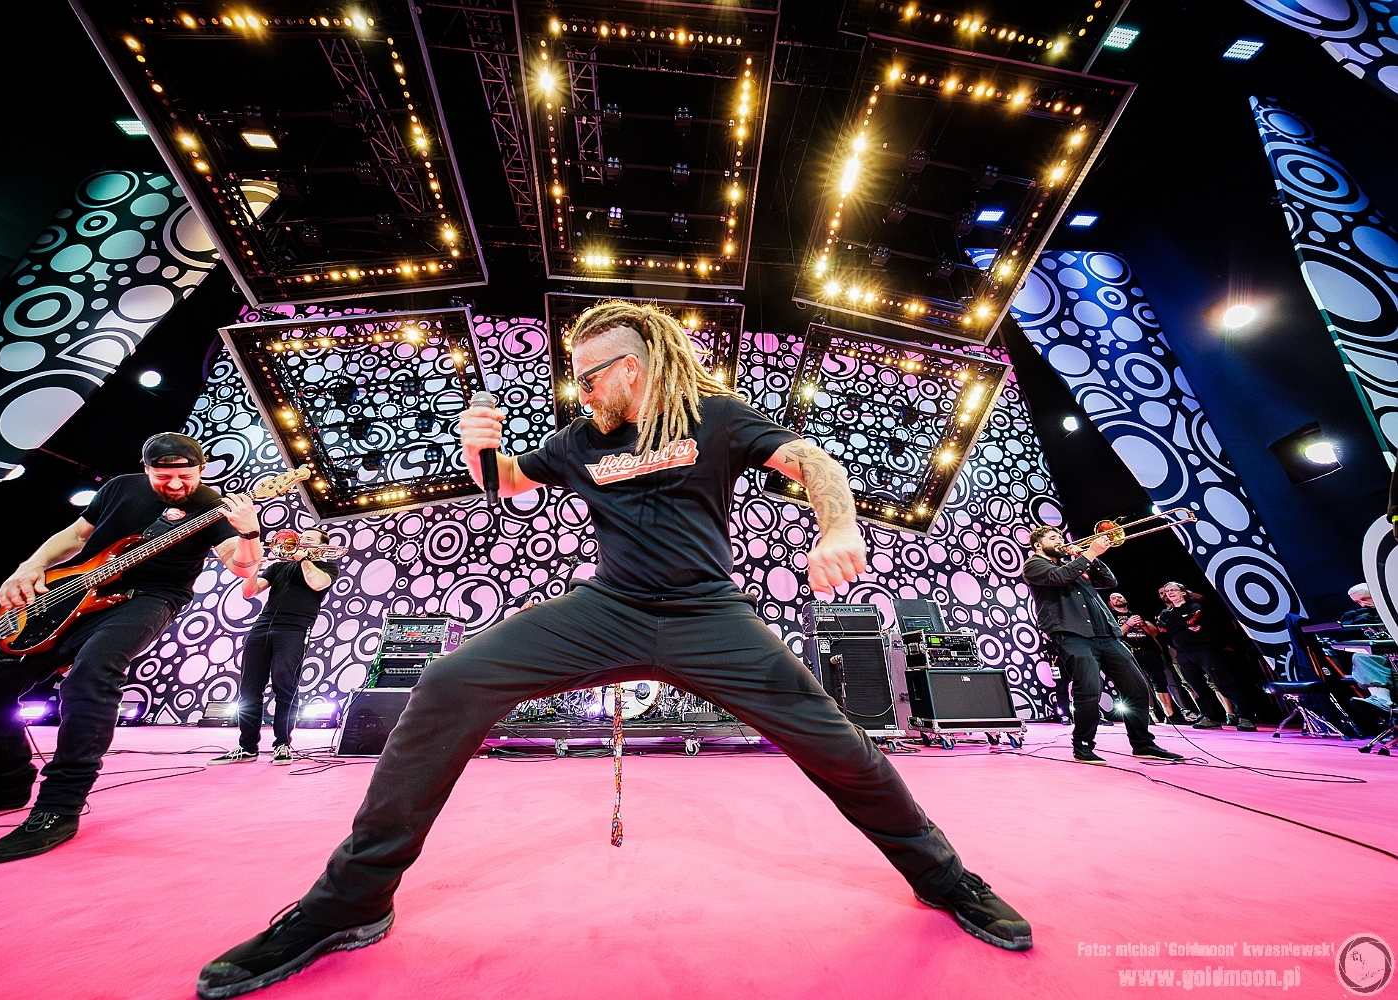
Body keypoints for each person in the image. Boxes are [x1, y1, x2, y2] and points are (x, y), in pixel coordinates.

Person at [195, 300, 1034, 1000]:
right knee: (449, 682)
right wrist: (476, 444)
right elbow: (508, 481)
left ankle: (946, 879)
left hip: (709, 617)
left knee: (840, 747)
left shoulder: (716, 417)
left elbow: (812, 461)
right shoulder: (578, 442)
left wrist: (839, 525)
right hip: (609, 609)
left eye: (590, 373)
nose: (581, 387)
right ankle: (352, 900)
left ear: (634, 365)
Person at [0, 433, 263, 864]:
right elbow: (75, 535)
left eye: (186, 476)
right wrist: (30, 566)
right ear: (146, 469)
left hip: (150, 598)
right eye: (163, 476)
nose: (176, 485)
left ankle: (60, 805)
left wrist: (248, 532)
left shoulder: (214, 505)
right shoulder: (120, 488)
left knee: (92, 675)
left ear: (200, 469)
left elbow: (242, 567)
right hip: (78, 591)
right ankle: (3, 784)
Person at [1022, 526, 1181, 765]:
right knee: (1089, 688)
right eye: (1052, 538)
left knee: (1137, 687)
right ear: (1038, 545)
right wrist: (1089, 555)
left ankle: (1143, 744)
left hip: (1106, 634)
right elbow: (1059, 578)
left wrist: (1091, 558)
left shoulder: (1076, 564)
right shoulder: (1034, 565)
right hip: (1072, 634)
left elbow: (1109, 581)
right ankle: (1083, 744)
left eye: (1060, 536)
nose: (1059, 540)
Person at [209, 528, 339, 766]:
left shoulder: (327, 568)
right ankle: (247, 747)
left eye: (308, 540)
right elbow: (249, 592)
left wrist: (302, 558)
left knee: (285, 685)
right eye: (301, 538)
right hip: (262, 627)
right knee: (249, 689)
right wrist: (253, 569)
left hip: (295, 629)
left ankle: (282, 744)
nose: (302, 541)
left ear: (322, 546)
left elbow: (317, 584)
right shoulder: (279, 567)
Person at [1156, 582, 1257, 732]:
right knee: (1196, 686)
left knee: (1224, 683)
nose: (1169, 593)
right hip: (1182, 653)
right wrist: (1185, 625)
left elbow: (1191, 620)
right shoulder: (1165, 613)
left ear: (1183, 592)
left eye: (1173, 590)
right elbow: (1162, 628)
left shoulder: (1195, 607)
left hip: (1203, 650)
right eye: (1166, 591)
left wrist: (1177, 624)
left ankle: (1245, 716)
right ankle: (1209, 717)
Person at [1107, 592, 1195, 725]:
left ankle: (1170, 715)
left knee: (1160, 682)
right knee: (1136, 684)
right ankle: (1145, 714)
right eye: (1113, 598)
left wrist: (1142, 624)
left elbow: (1154, 632)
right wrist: (1129, 624)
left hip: (1149, 651)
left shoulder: (1138, 614)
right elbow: (1115, 634)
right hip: (1129, 653)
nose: (1117, 599)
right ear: (1111, 604)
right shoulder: (1110, 617)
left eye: (1120, 596)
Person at [1342, 584, 1395, 730]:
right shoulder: (1369, 617)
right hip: (1391, 665)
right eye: (1358, 602)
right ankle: (1381, 700)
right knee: (1362, 656)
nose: (1363, 605)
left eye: (1365, 599)